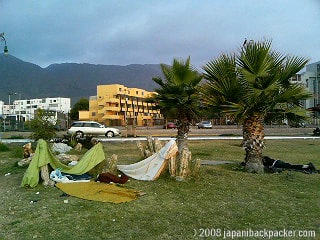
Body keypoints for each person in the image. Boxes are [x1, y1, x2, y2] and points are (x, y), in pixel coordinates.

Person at [241, 156, 317, 174]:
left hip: (277, 164)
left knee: (291, 167)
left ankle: (307, 166)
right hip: (278, 162)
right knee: (291, 166)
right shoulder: (263, 157)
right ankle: (306, 166)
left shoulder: (260, 160)